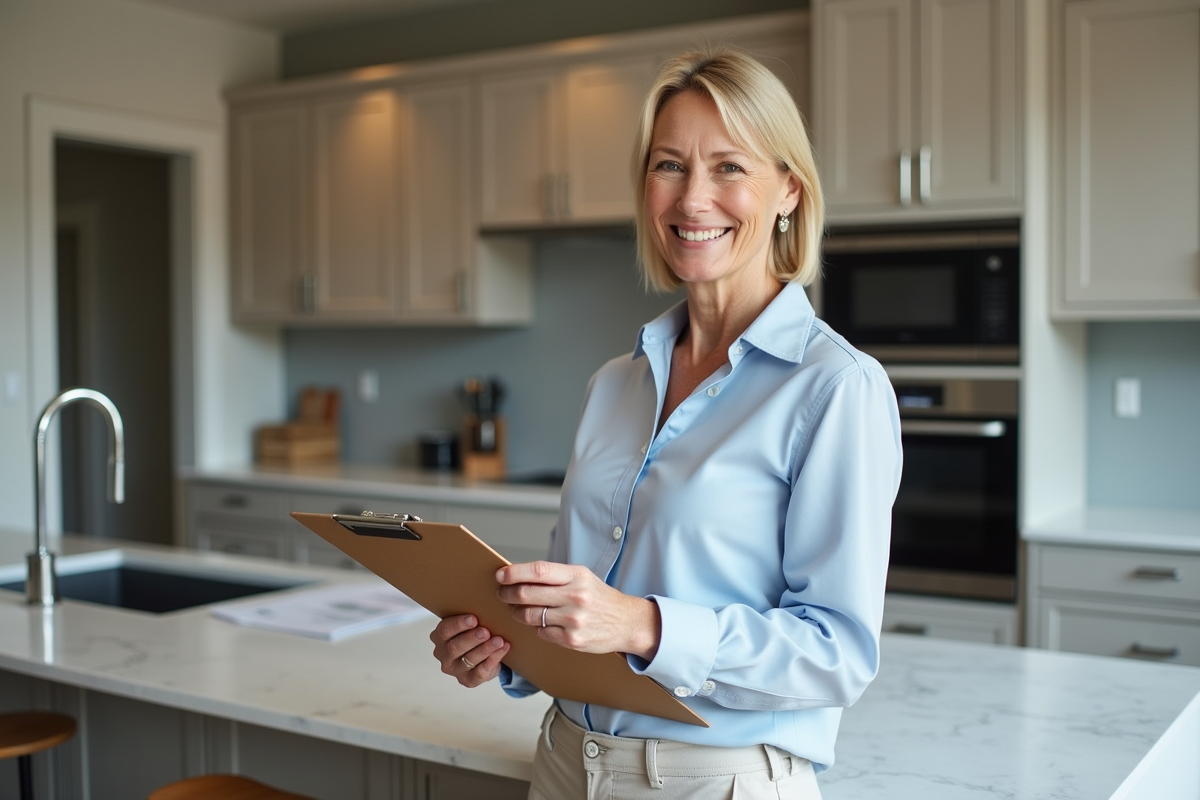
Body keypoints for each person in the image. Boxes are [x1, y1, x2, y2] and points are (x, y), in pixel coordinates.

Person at [430, 47, 902, 799]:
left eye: (729, 167)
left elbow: (836, 655)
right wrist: (505, 644)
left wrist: (643, 625)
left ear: (789, 189)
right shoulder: (613, 384)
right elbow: (586, 609)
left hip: (716, 783)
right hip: (564, 763)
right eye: (669, 166)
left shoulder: (836, 387)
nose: (692, 199)